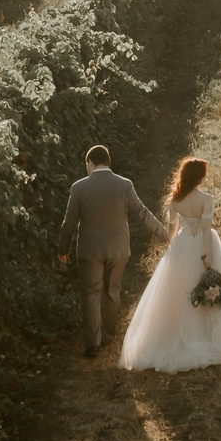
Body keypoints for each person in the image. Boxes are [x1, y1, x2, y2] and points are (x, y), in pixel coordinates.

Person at [120, 156, 221, 373]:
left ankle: (177, 331)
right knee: (204, 284)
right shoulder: (206, 199)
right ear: (200, 177)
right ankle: (205, 333)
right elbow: (206, 230)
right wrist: (207, 257)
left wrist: (173, 251)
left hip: (183, 243)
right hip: (201, 243)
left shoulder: (176, 200)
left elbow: (172, 230)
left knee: (178, 289)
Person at [58, 145, 168, 357]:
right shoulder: (124, 185)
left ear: (90, 163)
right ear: (108, 162)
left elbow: (68, 222)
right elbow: (142, 213)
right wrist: (164, 235)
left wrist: (63, 248)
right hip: (118, 249)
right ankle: (109, 337)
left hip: (90, 250)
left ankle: (93, 344)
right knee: (112, 292)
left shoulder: (79, 187)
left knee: (91, 294)